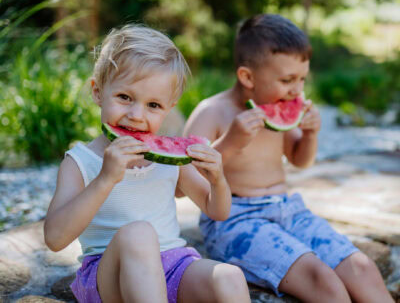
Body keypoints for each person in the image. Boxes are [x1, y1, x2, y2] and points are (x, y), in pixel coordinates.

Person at [184, 14, 393, 303]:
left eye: (302, 79)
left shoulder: (277, 105)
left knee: (362, 268)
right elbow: (181, 183)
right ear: (247, 77)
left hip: (288, 210)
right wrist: (229, 143)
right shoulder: (212, 112)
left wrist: (309, 135)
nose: (297, 90)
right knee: (323, 281)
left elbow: (299, 159)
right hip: (235, 220)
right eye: (287, 80)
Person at [44, 25, 250, 303]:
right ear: (97, 92)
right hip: (110, 275)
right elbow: (55, 238)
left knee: (230, 277)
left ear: (169, 106)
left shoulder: (171, 159)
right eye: (125, 97)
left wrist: (218, 179)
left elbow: (218, 210)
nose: (136, 115)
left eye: (153, 105)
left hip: (173, 266)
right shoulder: (80, 162)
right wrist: (105, 179)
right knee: (138, 233)